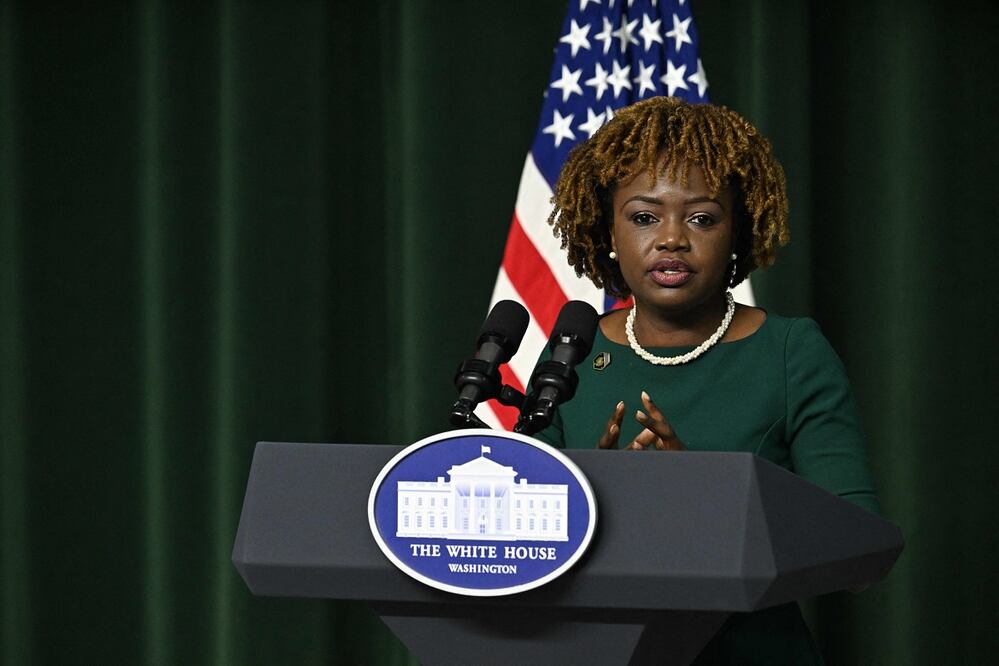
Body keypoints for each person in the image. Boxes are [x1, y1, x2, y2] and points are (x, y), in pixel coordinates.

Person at [531, 96, 879, 665]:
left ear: (737, 230)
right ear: (609, 232)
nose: (671, 239)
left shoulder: (790, 351)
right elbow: (524, 542)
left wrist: (701, 498)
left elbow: (859, 556)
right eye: (644, 217)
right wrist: (595, 497)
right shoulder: (575, 348)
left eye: (701, 217)